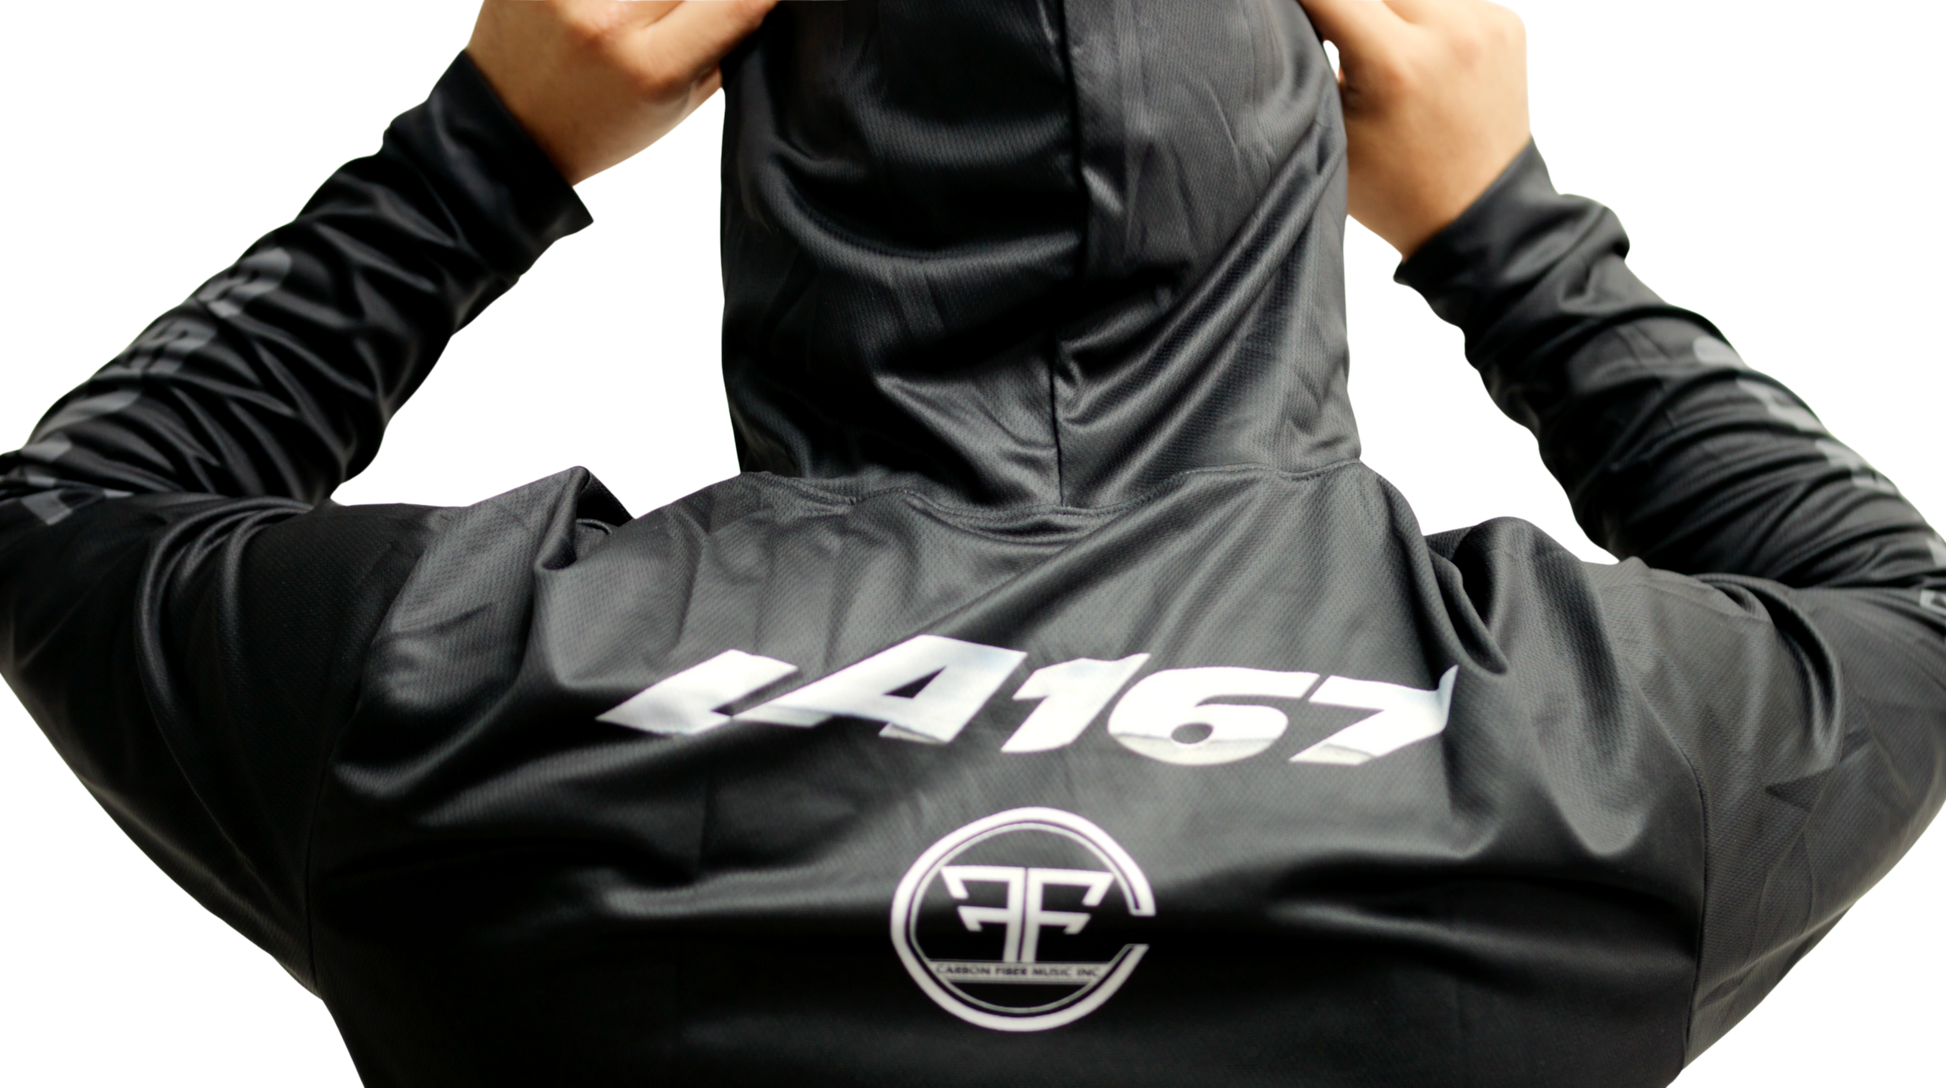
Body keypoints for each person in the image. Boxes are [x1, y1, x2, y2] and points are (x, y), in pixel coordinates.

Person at [2, 0, 1940, 1083]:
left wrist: (480, 154)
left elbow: (71, 522)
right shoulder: (1594, 742)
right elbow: (1906, 616)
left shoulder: (453, 679)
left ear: (765, 162)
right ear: (1291, 148)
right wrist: (1505, 232)